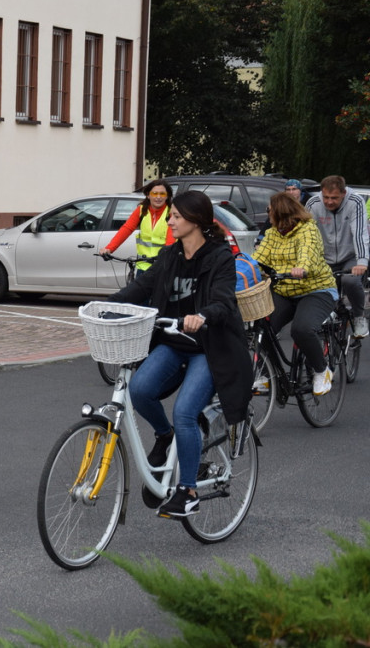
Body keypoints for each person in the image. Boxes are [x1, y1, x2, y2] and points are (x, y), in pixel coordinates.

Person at [109, 190, 253, 519]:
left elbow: (223, 299)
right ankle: (164, 437)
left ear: (196, 221)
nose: (169, 220)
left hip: (208, 347)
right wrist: (108, 304)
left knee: (185, 412)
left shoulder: (219, 257)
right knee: (140, 390)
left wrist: (203, 315)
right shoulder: (170, 254)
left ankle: (187, 491)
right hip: (173, 342)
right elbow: (143, 285)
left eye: (175, 216)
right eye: (170, 215)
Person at [255, 193, 338, 394]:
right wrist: (242, 270)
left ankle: (321, 370)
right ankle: (268, 376)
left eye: (269, 210)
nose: (268, 214)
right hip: (284, 291)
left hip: (315, 290)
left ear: (280, 212)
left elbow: (308, 251)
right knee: (262, 329)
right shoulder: (273, 233)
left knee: (302, 329)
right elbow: (258, 258)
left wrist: (301, 267)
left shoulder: (308, 229)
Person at [305, 175, 369, 338]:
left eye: (334, 198)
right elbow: (306, 235)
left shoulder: (355, 202)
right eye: (326, 197)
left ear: (343, 193)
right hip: (325, 257)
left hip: (350, 256)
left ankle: (359, 317)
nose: (329, 202)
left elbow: (360, 233)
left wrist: (362, 261)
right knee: (321, 289)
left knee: (350, 281)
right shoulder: (313, 204)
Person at [101, 178, 174, 271]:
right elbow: (126, 229)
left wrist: (165, 256)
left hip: (163, 267)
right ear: (148, 195)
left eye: (162, 194)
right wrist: (109, 249)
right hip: (143, 266)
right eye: (154, 193)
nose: (158, 197)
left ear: (167, 196)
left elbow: (171, 239)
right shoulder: (141, 210)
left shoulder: (171, 213)